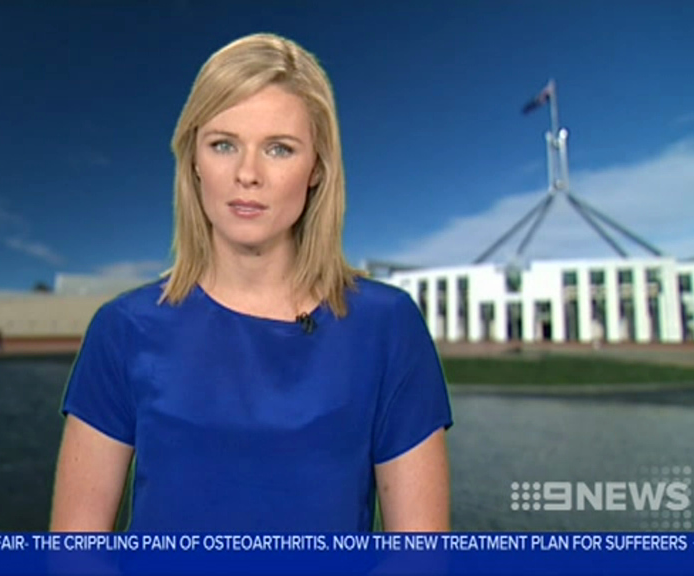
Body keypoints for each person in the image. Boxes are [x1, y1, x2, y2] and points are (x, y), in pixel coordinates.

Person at [50, 32, 453, 533]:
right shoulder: (124, 329)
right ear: (193, 160)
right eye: (224, 145)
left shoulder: (387, 326)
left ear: (317, 169)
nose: (247, 174)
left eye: (279, 149)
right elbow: (77, 551)